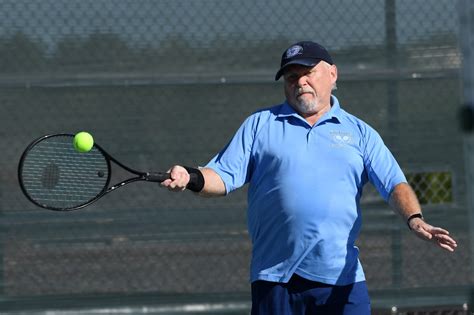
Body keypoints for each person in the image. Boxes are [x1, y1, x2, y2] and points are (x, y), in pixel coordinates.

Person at [160, 41, 458, 314]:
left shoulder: (360, 133)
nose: (300, 81)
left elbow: (394, 183)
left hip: (342, 279)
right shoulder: (260, 125)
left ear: (332, 74)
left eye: (309, 72)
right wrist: (191, 177)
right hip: (274, 278)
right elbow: (223, 176)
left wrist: (414, 219)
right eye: (292, 77)